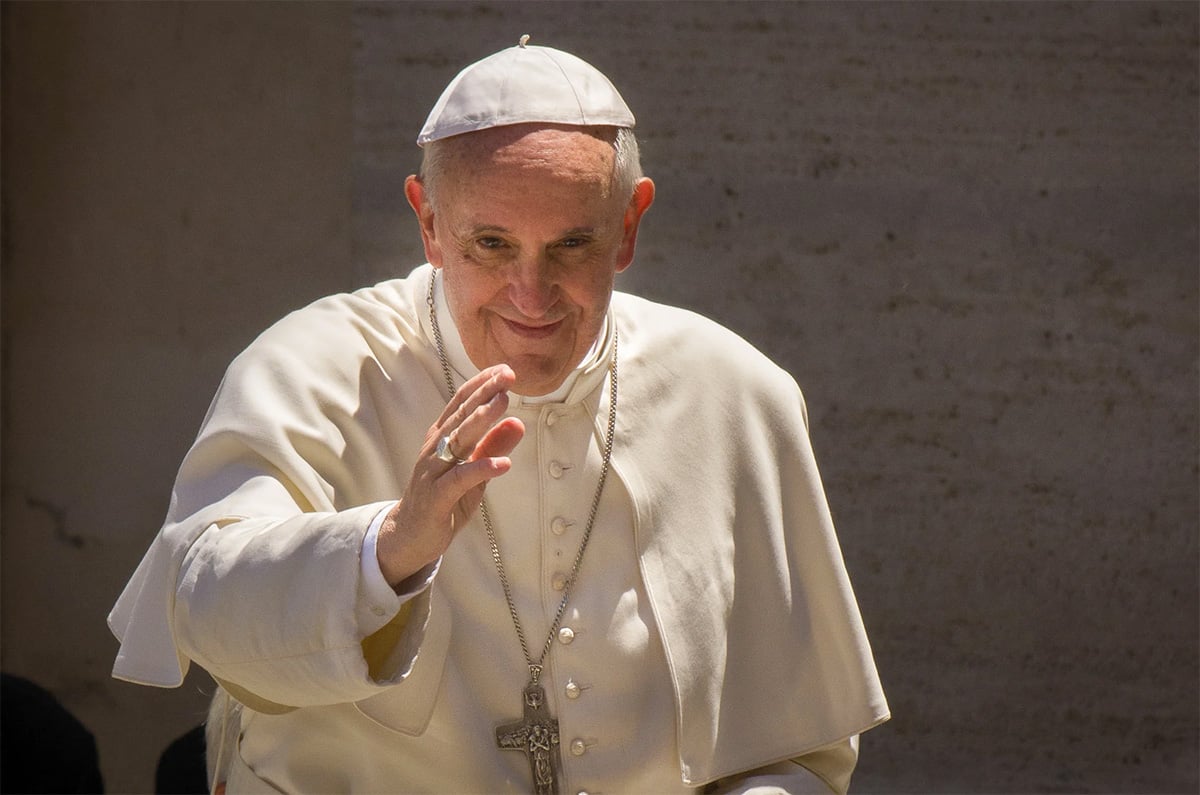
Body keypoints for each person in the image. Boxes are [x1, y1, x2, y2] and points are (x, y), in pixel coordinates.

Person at [109, 37, 889, 794]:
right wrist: (389, 550)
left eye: (571, 244)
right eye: (490, 243)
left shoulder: (736, 394)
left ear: (628, 225)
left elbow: (796, 745)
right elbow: (207, 605)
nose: (531, 294)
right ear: (428, 223)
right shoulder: (316, 365)